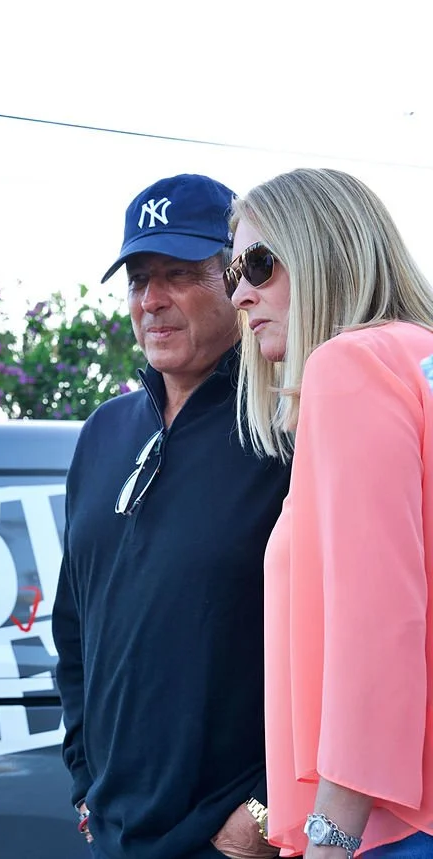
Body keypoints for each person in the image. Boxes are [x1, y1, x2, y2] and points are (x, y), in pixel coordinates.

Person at [52, 173, 291, 859]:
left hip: (234, 841)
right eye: (138, 279)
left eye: (181, 275)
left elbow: (352, 645)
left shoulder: (289, 427)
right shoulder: (103, 433)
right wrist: (84, 781)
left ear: (235, 276)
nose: (151, 300)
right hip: (116, 835)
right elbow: (75, 624)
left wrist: (267, 809)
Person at [228, 167, 433, 858]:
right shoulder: (419, 360)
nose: (239, 293)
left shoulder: (350, 365)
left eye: (259, 263)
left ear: (325, 248)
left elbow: (378, 620)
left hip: (389, 827)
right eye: (233, 272)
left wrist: (331, 837)